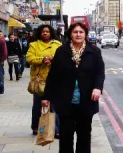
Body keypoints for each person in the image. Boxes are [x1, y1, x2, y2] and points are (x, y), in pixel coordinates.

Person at [42, 22, 106, 152]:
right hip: (66, 101)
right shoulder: (61, 51)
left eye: (81, 32)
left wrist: (98, 88)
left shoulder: (94, 51)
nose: (78, 34)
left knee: (84, 135)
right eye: (75, 32)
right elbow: (53, 75)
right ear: (70, 34)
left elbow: (100, 73)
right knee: (66, 136)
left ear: (85, 35)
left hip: (86, 100)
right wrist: (46, 97)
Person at [26, 24, 62, 136]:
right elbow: (29, 58)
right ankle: (36, 127)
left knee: (55, 105)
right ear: (39, 33)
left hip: (55, 79)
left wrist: (53, 59)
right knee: (38, 104)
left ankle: (56, 130)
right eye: (43, 32)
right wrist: (43, 59)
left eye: (47, 31)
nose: (45, 33)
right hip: (40, 80)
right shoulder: (34, 45)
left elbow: (63, 58)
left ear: (51, 33)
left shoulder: (58, 44)